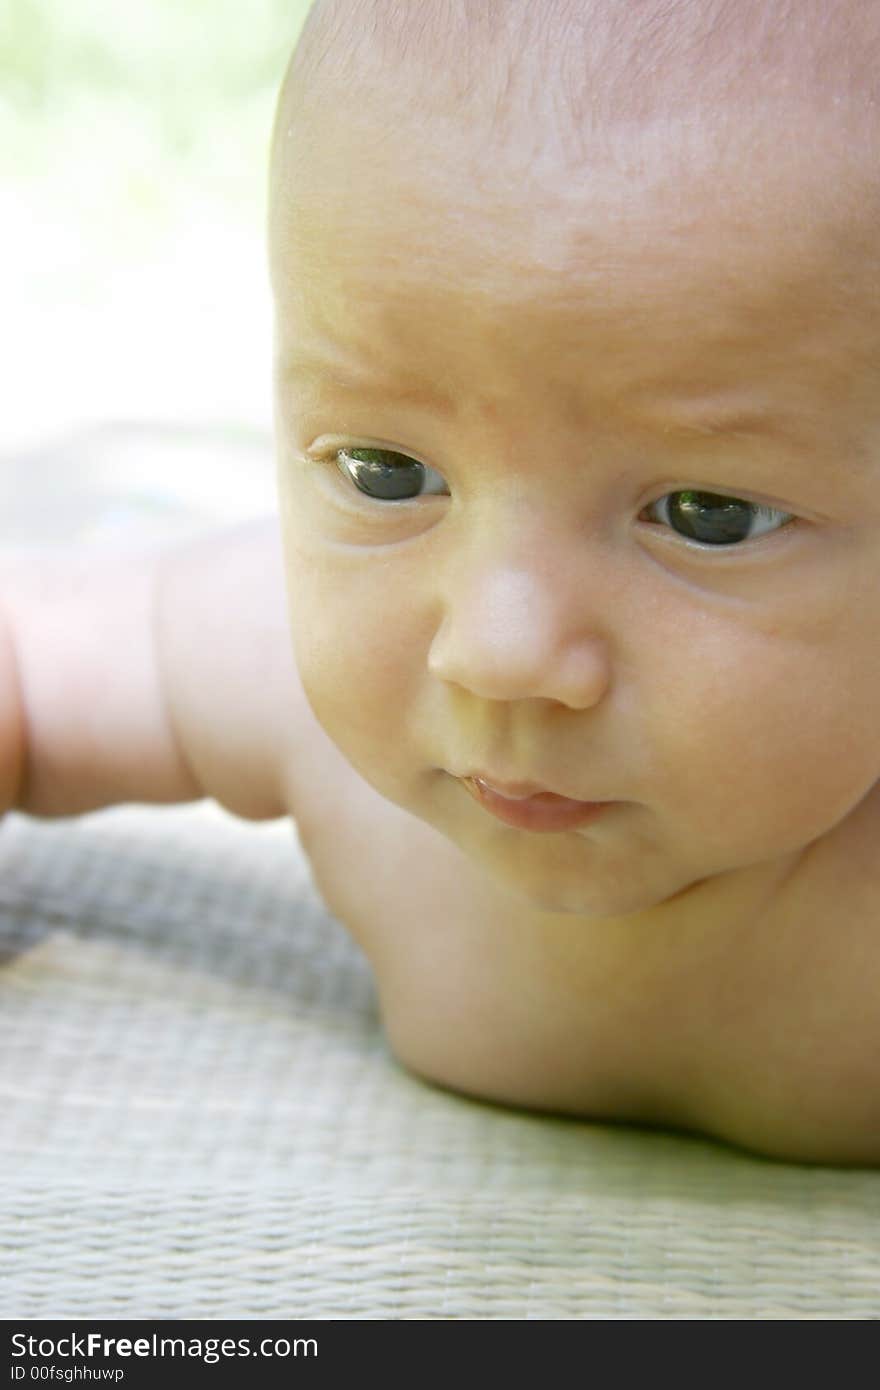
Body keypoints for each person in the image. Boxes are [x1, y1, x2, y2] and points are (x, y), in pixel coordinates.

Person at [2, 0, 879, 1163]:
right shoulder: (285, 683)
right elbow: (37, 656)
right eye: (385, 470)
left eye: (704, 516)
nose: (496, 648)